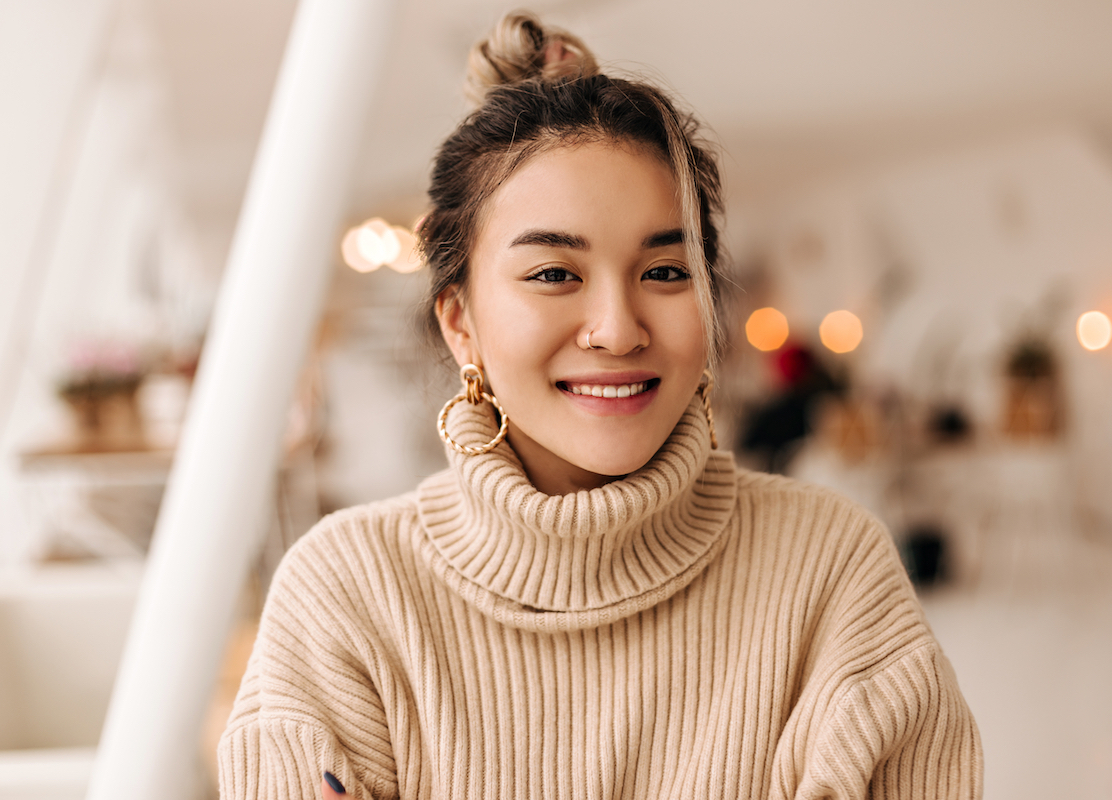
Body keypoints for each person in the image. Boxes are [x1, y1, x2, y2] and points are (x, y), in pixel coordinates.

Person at [219, 11, 982, 799]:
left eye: (664, 272)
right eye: (554, 274)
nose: (618, 330)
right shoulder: (346, 595)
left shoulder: (830, 572)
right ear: (461, 322)